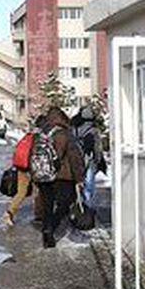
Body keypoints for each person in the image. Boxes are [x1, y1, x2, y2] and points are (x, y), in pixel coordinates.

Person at [36, 107, 85, 249]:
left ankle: (47, 231)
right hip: (63, 176)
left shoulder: (41, 133)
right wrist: (79, 178)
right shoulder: (64, 134)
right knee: (64, 204)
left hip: (43, 175)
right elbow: (74, 157)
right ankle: (51, 228)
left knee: (47, 205)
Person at [3, 115, 45, 227]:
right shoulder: (41, 138)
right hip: (34, 169)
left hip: (21, 167)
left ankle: (9, 212)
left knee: (21, 192)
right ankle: (39, 216)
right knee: (38, 192)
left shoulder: (28, 136)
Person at [72, 106, 105, 210]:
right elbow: (97, 148)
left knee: (77, 183)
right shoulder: (94, 130)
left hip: (76, 159)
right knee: (89, 185)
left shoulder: (74, 129)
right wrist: (98, 160)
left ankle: (77, 205)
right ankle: (87, 207)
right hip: (89, 160)